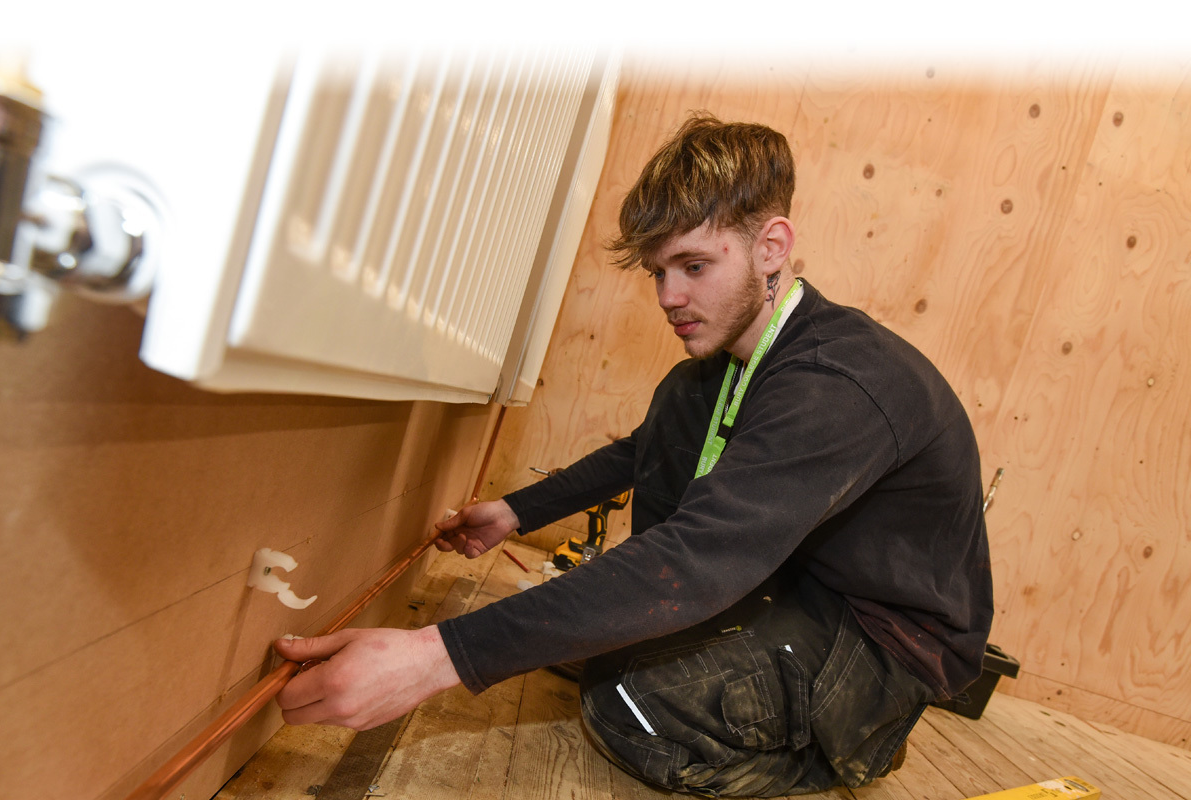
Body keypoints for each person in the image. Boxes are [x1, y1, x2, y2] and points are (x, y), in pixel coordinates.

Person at [274, 114, 994, 797]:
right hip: (795, 586)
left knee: (626, 704)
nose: (669, 297)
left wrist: (437, 657)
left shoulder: (837, 385)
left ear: (771, 247)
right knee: (600, 632)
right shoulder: (716, 373)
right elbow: (643, 451)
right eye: (657, 272)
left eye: (693, 265)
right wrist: (516, 512)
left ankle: (858, 743)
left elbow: (695, 561)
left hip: (881, 644)